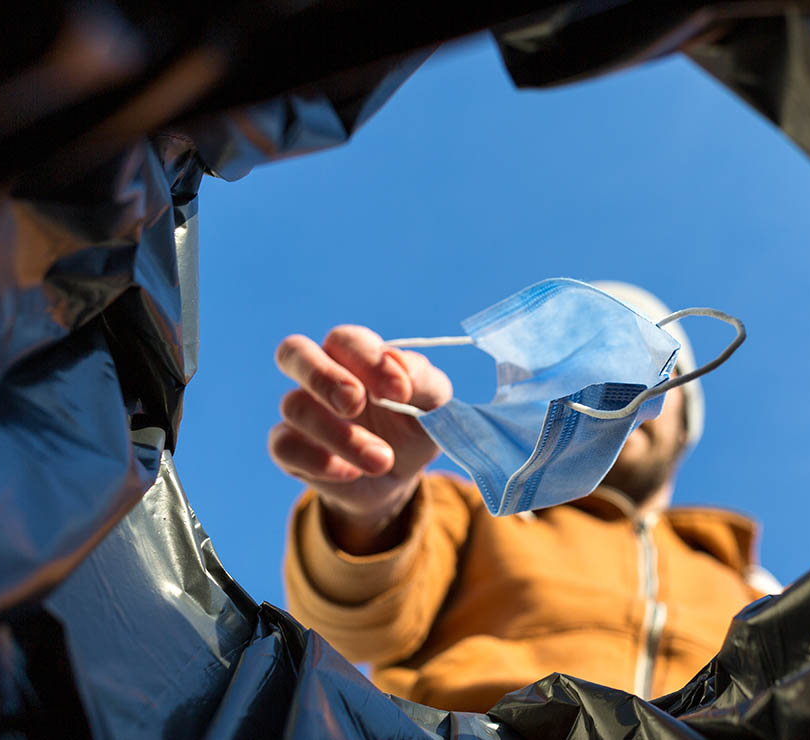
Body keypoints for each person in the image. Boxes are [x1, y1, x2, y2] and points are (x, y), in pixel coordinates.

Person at [273, 282, 780, 712]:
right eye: (590, 367)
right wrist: (370, 512)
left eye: (650, 370)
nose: (619, 387)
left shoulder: (746, 586)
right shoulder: (476, 512)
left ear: (686, 418)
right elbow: (356, 632)